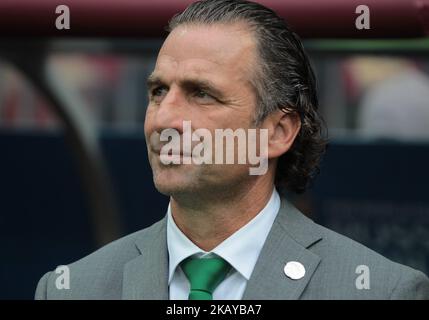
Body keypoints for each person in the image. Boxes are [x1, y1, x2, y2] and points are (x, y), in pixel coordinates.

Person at [35, 0, 429, 299]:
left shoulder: (381, 291)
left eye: (201, 94)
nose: (164, 120)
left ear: (277, 132)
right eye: (158, 92)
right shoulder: (70, 289)